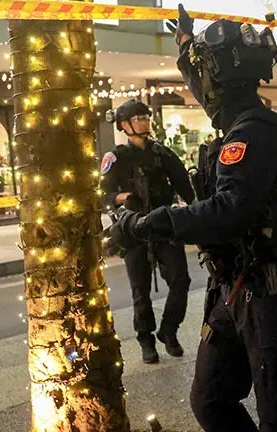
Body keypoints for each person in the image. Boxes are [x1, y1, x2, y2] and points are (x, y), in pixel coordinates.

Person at [110, 6, 277, 431]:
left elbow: (229, 212)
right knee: (211, 399)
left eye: (201, 75)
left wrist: (151, 222)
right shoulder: (241, 124)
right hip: (238, 291)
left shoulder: (253, 134)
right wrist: (188, 45)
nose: (196, 86)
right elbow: (209, 78)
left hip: (274, 298)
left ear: (218, 81)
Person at [101, 99, 195, 364]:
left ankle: (169, 330)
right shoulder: (115, 157)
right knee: (139, 289)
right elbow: (102, 195)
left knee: (180, 280)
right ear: (124, 125)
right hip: (132, 228)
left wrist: (198, 212)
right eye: (138, 118)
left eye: (145, 117)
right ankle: (146, 340)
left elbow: (185, 187)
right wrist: (120, 198)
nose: (144, 121)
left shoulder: (162, 153)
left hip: (164, 225)